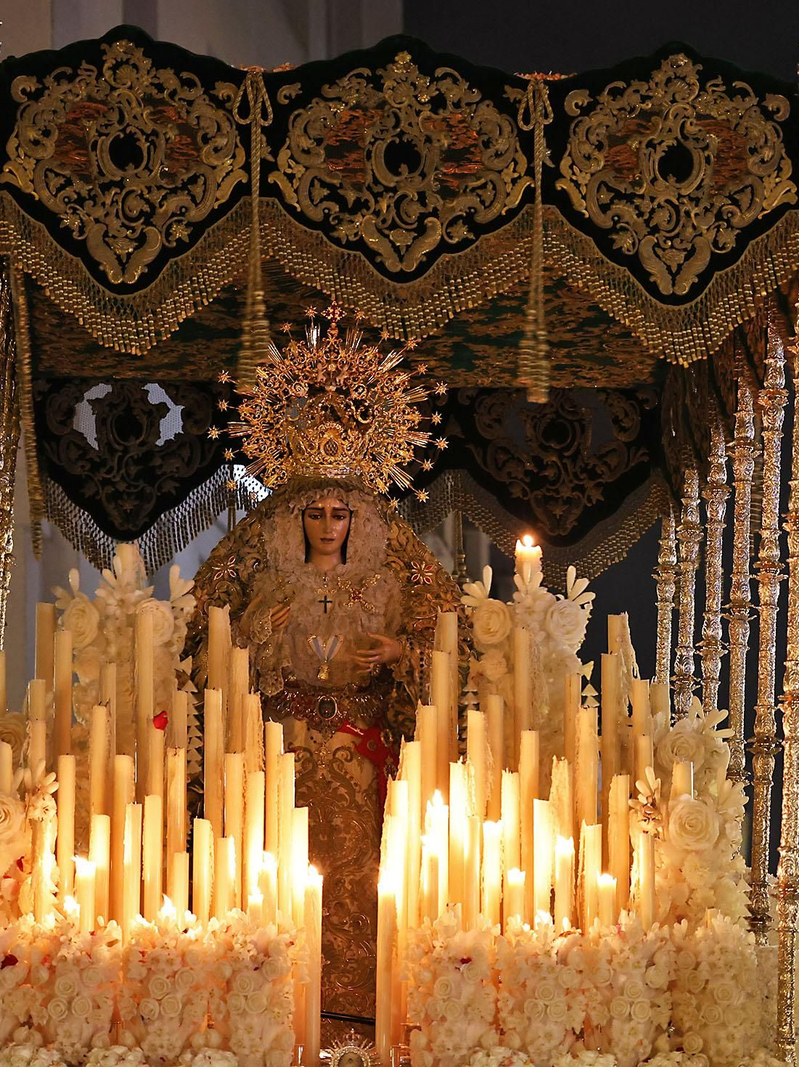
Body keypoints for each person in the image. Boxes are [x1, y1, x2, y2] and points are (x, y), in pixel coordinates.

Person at [189, 306, 466, 1047]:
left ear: (358, 520)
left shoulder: (396, 563)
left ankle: (356, 1031)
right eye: (314, 512)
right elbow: (201, 643)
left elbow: (447, 640)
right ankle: (269, 1026)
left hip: (360, 752)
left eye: (341, 512)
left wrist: (400, 659)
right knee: (270, 880)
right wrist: (254, 637)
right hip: (276, 754)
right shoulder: (254, 556)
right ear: (295, 518)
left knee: (358, 886)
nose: (327, 524)